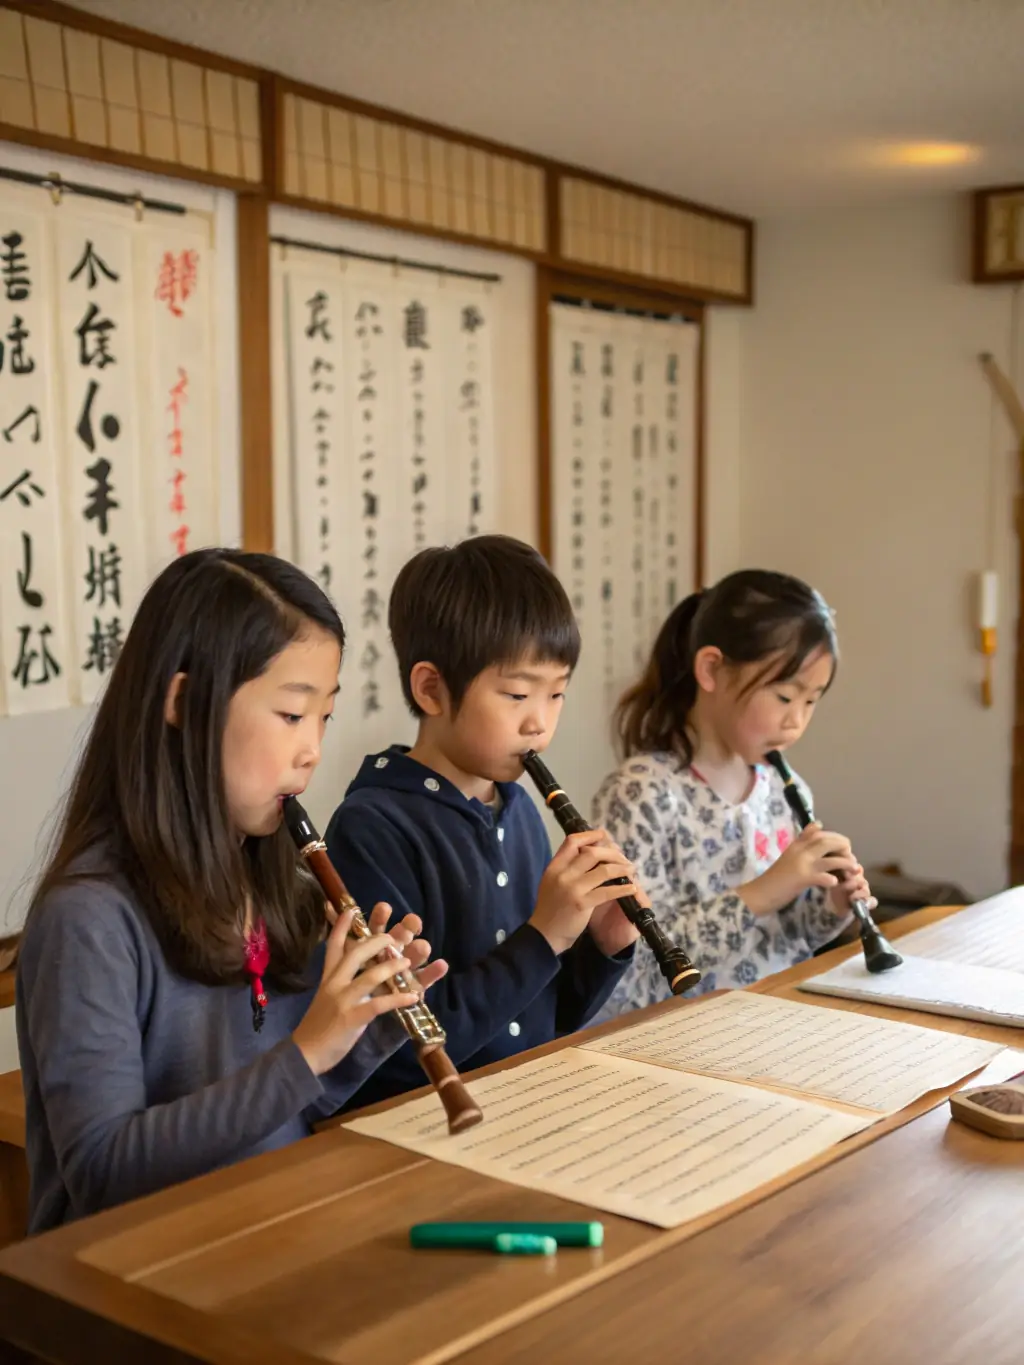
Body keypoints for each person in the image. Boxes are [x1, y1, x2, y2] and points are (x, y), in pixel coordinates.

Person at [16, 548, 445, 1233]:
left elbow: (279, 1110)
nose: (312, 749)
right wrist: (308, 1049)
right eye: (290, 714)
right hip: (127, 1280)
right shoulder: (89, 918)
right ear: (185, 703)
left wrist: (362, 1029)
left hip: (264, 1229)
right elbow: (100, 1171)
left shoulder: (274, 883)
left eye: (324, 718)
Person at [325, 534, 641, 1109]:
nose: (539, 724)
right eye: (517, 694)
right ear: (431, 689)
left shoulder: (519, 811)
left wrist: (603, 945)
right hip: (423, 1127)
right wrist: (544, 936)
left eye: (557, 695)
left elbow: (546, 1019)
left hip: (528, 1106)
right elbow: (400, 1053)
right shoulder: (371, 827)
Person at [591, 568, 874, 1019]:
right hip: (673, 1038)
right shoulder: (640, 792)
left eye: (811, 700)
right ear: (711, 670)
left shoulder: (786, 790)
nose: (796, 722)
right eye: (784, 697)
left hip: (775, 1020)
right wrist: (764, 891)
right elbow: (641, 961)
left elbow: (787, 937)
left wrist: (832, 908)